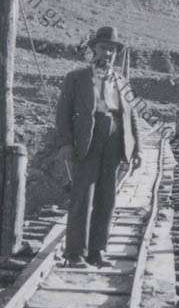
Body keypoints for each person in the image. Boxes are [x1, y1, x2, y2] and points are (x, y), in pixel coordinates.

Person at [55, 25, 141, 268]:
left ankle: (97, 251)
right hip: (87, 139)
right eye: (104, 48)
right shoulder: (76, 78)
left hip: (115, 139)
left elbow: (132, 116)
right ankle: (75, 253)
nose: (108, 53)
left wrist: (138, 149)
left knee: (107, 197)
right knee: (82, 195)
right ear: (94, 49)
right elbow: (63, 113)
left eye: (112, 50)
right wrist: (66, 143)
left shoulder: (122, 82)